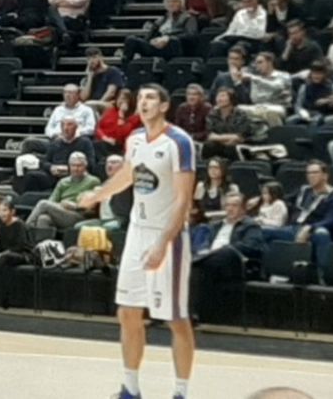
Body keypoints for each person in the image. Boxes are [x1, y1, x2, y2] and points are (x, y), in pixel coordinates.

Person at [76, 85, 197, 399]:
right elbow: (128, 175)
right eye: (141, 98)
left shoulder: (180, 142)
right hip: (137, 230)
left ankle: (181, 392)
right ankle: (130, 388)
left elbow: (184, 201)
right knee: (127, 311)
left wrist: (162, 243)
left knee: (175, 317)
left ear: (165, 105)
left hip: (168, 234)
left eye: (151, 97)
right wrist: (97, 195)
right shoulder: (134, 139)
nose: (143, 102)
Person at [190, 191, 266, 322]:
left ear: (243, 208)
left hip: (235, 263)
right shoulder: (215, 225)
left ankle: (197, 313)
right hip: (211, 261)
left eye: (234, 205)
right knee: (198, 266)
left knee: (220, 254)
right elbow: (204, 244)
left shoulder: (251, 226)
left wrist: (225, 249)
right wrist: (205, 251)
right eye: (227, 205)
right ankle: (191, 312)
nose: (230, 208)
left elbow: (252, 247)